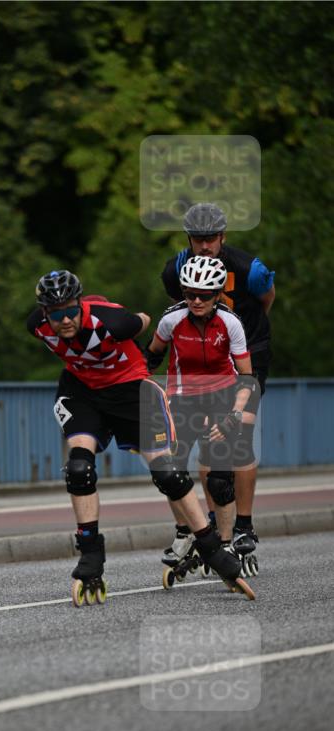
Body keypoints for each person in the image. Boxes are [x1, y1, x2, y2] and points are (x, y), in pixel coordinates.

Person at [26, 269, 253, 604]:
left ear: (80, 305)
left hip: (130, 389)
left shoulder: (111, 323)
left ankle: (211, 548)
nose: (65, 321)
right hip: (83, 392)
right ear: (45, 313)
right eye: (56, 315)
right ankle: (90, 557)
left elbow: (143, 320)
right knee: (79, 469)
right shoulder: (36, 325)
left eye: (71, 311)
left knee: (167, 474)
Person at [161, 203, 275, 562]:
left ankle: (244, 524)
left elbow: (267, 298)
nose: (205, 246)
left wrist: (245, 331)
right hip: (205, 354)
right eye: (198, 239)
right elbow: (182, 310)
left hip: (247, 350)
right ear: (189, 239)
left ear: (223, 237)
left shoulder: (249, 269)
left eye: (211, 239)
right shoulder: (176, 269)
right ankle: (213, 523)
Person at [145, 256, 257, 576]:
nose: (195, 300)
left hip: (223, 398)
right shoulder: (171, 320)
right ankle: (184, 532)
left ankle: (223, 544)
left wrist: (234, 415)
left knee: (220, 480)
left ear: (218, 294)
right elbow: (150, 356)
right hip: (182, 398)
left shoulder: (231, 323)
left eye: (204, 295)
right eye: (190, 293)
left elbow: (247, 376)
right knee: (170, 471)